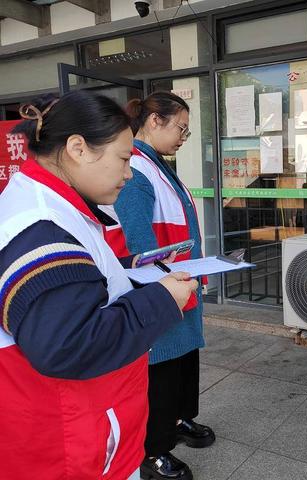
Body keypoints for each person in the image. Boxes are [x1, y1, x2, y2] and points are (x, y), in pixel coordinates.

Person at [0, 90, 198, 479]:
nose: (128, 173)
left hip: (80, 433)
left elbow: (80, 280)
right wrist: (162, 298)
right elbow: (68, 343)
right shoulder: (43, 226)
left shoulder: (52, 205)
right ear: (78, 148)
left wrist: (129, 271)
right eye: (123, 159)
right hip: (70, 447)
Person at [105, 91, 214, 480]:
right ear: (154, 121)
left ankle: (180, 420)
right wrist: (165, 284)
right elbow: (139, 243)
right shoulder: (136, 168)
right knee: (162, 368)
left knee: (184, 362)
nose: (184, 136)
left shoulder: (160, 165)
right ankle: (154, 449)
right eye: (180, 128)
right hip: (162, 286)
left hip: (180, 280)